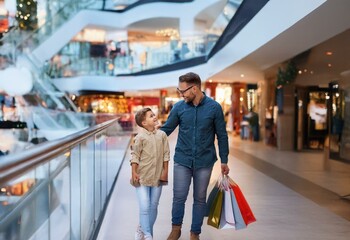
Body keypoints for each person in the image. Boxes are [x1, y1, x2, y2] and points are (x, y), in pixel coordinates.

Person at [160, 72, 230, 240]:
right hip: (182, 159)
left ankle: (194, 234)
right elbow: (167, 129)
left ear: (195, 88)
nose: (181, 94)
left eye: (183, 91)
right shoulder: (179, 107)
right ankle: (175, 230)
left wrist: (224, 160)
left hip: (205, 161)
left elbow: (222, 135)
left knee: (199, 199)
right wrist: (146, 138)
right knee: (179, 197)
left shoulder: (214, 108)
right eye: (179, 90)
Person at [130, 107, 170, 240]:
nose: (154, 117)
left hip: (158, 177)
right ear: (144, 123)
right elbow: (135, 156)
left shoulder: (162, 135)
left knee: (153, 205)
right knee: (144, 204)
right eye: (150, 116)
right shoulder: (139, 137)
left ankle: (142, 228)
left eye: (154, 115)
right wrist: (134, 172)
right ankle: (148, 235)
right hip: (142, 177)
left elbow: (166, 155)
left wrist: (165, 172)